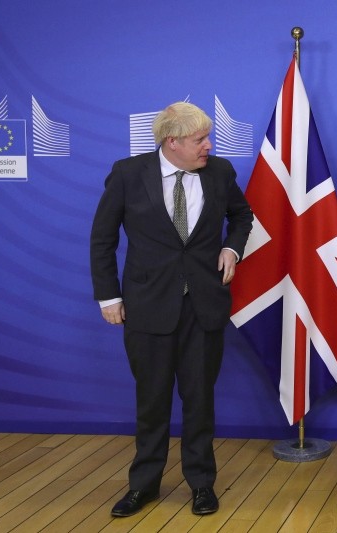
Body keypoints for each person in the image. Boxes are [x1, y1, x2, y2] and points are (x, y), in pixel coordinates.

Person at [90, 102, 253, 517]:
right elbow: (102, 240)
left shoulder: (220, 173)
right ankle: (143, 485)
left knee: (200, 402)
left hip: (203, 307)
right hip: (146, 309)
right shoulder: (128, 175)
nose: (208, 146)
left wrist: (232, 247)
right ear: (172, 142)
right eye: (200, 140)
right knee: (152, 402)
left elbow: (242, 215)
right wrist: (109, 297)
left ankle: (201, 485)